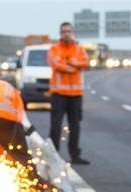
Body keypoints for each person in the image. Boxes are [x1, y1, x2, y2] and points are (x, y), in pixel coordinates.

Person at [48, 21, 91, 165]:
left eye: (69, 31)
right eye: (64, 31)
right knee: (55, 125)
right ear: (60, 33)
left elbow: (86, 63)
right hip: (59, 93)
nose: (66, 33)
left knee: (75, 126)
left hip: (76, 94)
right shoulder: (54, 48)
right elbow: (55, 64)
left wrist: (73, 62)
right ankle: (53, 154)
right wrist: (72, 67)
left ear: (72, 33)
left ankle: (75, 155)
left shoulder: (79, 49)